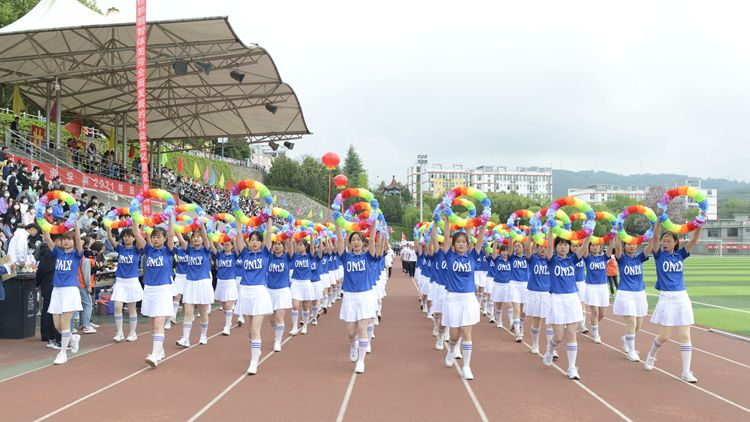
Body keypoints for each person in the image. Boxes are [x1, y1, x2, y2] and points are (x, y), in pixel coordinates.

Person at [644, 219, 702, 383]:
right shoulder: (659, 255)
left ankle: (686, 371)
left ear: (676, 243)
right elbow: (655, 237)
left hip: (682, 297)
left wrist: (699, 224)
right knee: (665, 336)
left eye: (669, 241)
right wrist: (658, 221)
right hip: (667, 298)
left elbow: (694, 240)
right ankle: (651, 355)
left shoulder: (680, 255)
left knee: (685, 334)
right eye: (664, 241)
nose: (665, 243)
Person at [438, 216, 486, 380]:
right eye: (458, 242)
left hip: (468, 298)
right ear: (453, 245)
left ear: (468, 244)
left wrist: (483, 223)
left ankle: (466, 366)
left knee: (466, 332)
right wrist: (446, 219)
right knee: (454, 335)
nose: (461, 244)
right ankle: (452, 350)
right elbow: (446, 237)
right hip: (452, 298)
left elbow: (480, 240)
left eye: (463, 242)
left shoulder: (472, 257)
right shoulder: (449, 256)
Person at [335, 222, 380, 374]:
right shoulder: (345, 257)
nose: (356, 242)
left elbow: (372, 240)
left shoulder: (368, 256)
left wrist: (373, 223)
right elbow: (339, 240)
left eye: (358, 240)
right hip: (349, 296)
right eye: (353, 240)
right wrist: (337, 223)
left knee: (362, 327)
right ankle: (353, 346)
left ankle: (361, 361)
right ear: (350, 243)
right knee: (350, 333)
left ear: (362, 242)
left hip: (364, 296)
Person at [543, 231, 586, 380]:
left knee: (572, 334)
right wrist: (550, 229)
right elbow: (549, 246)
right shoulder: (552, 260)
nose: (563, 247)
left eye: (566, 244)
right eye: (560, 244)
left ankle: (572, 367)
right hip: (557, 299)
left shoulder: (572, 259)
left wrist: (588, 233)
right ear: (556, 247)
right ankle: (550, 349)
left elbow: (583, 247)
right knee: (558, 337)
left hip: (572, 298)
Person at [133, 219, 175, 367]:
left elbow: (171, 234)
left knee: (158, 324)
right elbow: (136, 234)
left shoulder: (168, 251)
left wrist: (171, 217)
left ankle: (155, 355)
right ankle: (160, 351)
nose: (156, 239)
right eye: (153, 237)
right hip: (149, 290)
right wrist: (135, 217)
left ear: (164, 238)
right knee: (152, 325)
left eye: (159, 237)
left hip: (163, 290)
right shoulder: (149, 250)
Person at [234, 221, 274, 375]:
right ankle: (256, 350)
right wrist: (238, 218)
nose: (254, 243)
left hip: (259, 293)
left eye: (257, 240)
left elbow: (269, 234)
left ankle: (253, 362)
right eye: (252, 240)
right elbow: (239, 234)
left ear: (261, 243)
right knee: (249, 331)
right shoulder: (245, 253)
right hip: (245, 292)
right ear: (248, 242)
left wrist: (269, 218)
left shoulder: (265, 253)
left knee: (256, 329)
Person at [41, 224, 84, 365]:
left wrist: (76, 225)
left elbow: (78, 240)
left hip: (70, 290)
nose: (65, 241)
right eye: (64, 239)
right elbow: (47, 238)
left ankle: (63, 353)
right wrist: (42, 222)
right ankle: (73, 338)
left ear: (73, 241)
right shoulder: (58, 253)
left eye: (69, 239)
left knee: (65, 324)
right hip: (57, 291)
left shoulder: (76, 254)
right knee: (58, 326)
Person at [613, 237, 652, 362]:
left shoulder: (639, 258)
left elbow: (650, 247)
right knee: (632, 323)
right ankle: (631, 352)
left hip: (639, 293)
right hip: (626, 293)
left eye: (634, 244)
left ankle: (626, 338)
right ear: (625, 246)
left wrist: (652, 234)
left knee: (638, 325)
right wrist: (617, 233)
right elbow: (618, 247)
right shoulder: (622, 258)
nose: (631, 246)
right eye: (629, 244)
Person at [175, 223, 213, 348]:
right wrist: (173, 224)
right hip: (190, 283)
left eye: (198, 236)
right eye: (194, 237)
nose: (196, 238)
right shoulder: (189, 250)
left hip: (203, 283)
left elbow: (206, 238)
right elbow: (181, 239)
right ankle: (185, 338)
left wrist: (201, 225)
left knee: (203, 312)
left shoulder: (206, 250)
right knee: (188, 312)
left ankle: (203, 335)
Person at [106, 226, 143, 343]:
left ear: (134, 238)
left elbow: (140, 238)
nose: (127, 238)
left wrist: (138, 226)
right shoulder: (120, 249)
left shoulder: (136, 249)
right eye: (125, 236)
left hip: (132, 281)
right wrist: (108, 228)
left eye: (129, 236)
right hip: (120, 281)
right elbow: (110, 238)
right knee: (117, 306)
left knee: (132, 308)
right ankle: (119, 332)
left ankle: (133, 332)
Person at [582, 240, 614, 344]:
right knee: (595, 312)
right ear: (589, 247)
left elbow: (610, 248)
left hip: (603, 287)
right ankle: (596, 334)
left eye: (597, 245)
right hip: (591, 287)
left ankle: (593, 323)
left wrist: (613, 237)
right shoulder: (587, 258)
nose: (595, 247)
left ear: (600, 247)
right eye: (593, 245)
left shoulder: (604, 257)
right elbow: (584, 247)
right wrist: (587, 236)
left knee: (602, 314)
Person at [266, 236, 294, 352]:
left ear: (283, 246)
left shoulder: (287, 257)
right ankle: (277, 332)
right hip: (269, 291)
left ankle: (278, 341)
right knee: (272, 320)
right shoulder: (268, 257)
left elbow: (291, 247)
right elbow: (266, 243)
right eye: (275, 244)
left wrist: (290, 236)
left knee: (279, 318)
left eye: (279, 244)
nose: (277, 246)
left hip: (283, 290)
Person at [36, 235, 62, 349]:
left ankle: (48, 334)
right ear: (55, 241)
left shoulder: (54, 252)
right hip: (50, 283)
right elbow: (43, 269)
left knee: (49, 309)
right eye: (62, 240)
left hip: (50, 283)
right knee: (49, 309)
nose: (64, 242)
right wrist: (38, 282)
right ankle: (49, 334)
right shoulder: (50, 253)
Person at [211, 239, 239, 336]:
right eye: (225, 244)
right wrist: (210, 236)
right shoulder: (220, 255)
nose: (226, 245)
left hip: (230, 281)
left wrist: (234, 239)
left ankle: (227, 326)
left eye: (228, 244)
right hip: (220, 281)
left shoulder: (234, 255)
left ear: (232, 246)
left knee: (228, 305)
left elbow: (237, 248)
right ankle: (229, 320)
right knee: (223, 306)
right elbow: (212, 245)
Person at [289, 238, 315, 336]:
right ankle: (294, 327)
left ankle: (305, 326)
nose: (299, 246)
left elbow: (312, 248)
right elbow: (290, 247)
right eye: (298, 244)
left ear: (305, 246)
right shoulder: (295, 256)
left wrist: (311, 235)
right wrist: (290, 237)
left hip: (306, 283)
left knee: (305, 307)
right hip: (296, 282)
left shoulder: (309, 256)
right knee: (295, 305)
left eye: (301, 245)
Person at [507, 240, 529, 342]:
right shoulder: (512, 257)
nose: (517, 248)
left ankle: (521, 325)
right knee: (516, 309)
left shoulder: (527, 257)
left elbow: (531, 248)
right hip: (514, 284)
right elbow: (510, 248)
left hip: (525, 285)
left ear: (523, 248)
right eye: (515, 246)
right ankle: (517, 333)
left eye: (519, 246)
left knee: (524, 310)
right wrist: (511, 236)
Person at [489, 243, 512, 328]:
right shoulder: (497, 259)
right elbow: (494, 252)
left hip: (508, 284)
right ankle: (499, 320)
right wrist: (496, 241)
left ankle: (511, 322)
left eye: (506, 251)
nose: (505, 253)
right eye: (503, 251)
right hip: (498, 284)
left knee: (509, 304)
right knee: (498, 305)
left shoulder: (511, 260)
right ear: (500, 252)